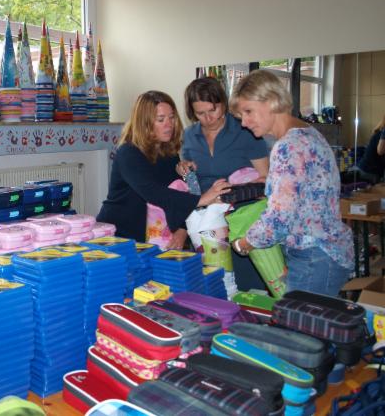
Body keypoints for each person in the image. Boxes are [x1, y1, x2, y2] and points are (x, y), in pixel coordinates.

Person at [229, 70, 353, 297]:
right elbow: (304, 197)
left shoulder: (288, 145)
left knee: (300, 321)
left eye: (248, 111)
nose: (244, 123)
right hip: (326, 251)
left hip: (313, 255)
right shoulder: (308, 133)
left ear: (271, 101)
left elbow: (279, 219)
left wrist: (244, 243)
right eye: (241, 116)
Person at [97, 90, 230, 249]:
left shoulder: (169, 153)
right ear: (144, 123)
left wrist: (182, 230)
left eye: (171, 117)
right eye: (161, 119)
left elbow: (179, 193)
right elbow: (154, 193)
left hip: (154, 236)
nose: (169, 124)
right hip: (119, 234)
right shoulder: (128, 152)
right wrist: (201, 199)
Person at [177, 77, 269, 291]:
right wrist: (183, 168)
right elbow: (192, 180)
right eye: (200, 113)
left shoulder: (245, 130)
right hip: (207, 224)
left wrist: (232, 193)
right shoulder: (189, 135)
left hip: (242, 220)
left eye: (213, 110)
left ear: (224, 103)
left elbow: (266, 181)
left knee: (247, 286)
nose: (208, 118)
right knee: (215, 283)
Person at [356, 115, 385, 184]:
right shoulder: (383, 134)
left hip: (363, 168)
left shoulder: (380, 131)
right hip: (370, 173)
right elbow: (380, 151)